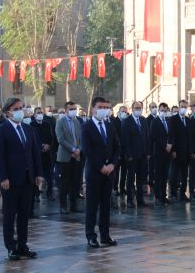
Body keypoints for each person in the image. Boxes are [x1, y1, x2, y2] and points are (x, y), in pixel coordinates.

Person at [0, 97, 43, 260]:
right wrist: (3, 177)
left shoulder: (28, 130)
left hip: (28, 178)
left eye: (21, 108)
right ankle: (10, 246)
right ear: (8, 112)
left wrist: (38, 174)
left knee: (24, 214)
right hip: (11, 180)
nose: (20, 111)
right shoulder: (2, 129)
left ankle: (22, 244)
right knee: (9, 214)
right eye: (16, 109)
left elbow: (35, 153)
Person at [82, 97, 120, 248]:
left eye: (106, 107)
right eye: (100, 107)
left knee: (106, 205)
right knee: (92, 206)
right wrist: (100, 166)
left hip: (109, 172)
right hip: (94, 172)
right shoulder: (87, 127)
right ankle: (91, 236)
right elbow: (87, 150)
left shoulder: (110, 126)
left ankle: (105, 235)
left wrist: (112, 164)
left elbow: (117, 147)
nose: (104, 109)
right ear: (93, 109)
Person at [55, 101, 83, 214]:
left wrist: (78, 150)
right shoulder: (60, 122)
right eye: (71, 109)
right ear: (66, 110)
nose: (73, 111)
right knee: (65, 183)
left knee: (75, 182)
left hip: (76, 156)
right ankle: (63, 206)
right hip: (65, 156)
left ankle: (73, 205)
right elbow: (60, 139)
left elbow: (80, 138)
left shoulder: (77, 121)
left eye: (74, 109)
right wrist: (72, 150)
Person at [121, 101, 149, 208]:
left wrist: (147, 152)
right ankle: (129, 200)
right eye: (137, 108)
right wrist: (128, 154)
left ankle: (140, 199)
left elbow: (146, 136)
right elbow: (125, 140)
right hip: (132, 155)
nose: (139, 110)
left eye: (140, 108)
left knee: (141, 178)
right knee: (130, 178)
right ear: (132, 109)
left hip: (142, 155)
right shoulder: (127, 122)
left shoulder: (143, 120)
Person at [31, 107, 55, 201]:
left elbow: (51, 137)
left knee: (49, 175)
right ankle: (36, 194)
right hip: (37, 154)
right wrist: (41, 146)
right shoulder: (31, 125)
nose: (40, 114)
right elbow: (33, 139)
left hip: (47, 154)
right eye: (38, 112)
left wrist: (48, 145)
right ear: (34, 114)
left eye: (41, 112)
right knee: (36, 175)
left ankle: (49, 193)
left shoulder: (47, 124)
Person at [150, 103, 172, 204]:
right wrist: (165, 145)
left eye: (165, 110)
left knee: (165, 176)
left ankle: (164, 196)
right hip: (159, 152)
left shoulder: (168, 121)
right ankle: (157, 196)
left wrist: (170, 145)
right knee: (158, 176)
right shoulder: (155, 122)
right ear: (159, 110)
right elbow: (154, 137)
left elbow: (171, 134)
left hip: (167, 153)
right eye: (162, 110)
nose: (163, 112)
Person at [169, 100, 191, 201]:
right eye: (182, 106)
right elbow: (171, 135)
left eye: (185, 107)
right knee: (174, 174)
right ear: (179, 107)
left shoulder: (188, 120)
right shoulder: (173, 119)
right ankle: (173, 193)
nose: (183, 108)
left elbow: (190, 136)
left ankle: (182, 193)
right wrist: (173, 150)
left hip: (186, 152)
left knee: (184, 174)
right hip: (176, 152)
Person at [146, 102, 159, 191]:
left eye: (155, 107)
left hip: (159, 147)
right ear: (149, 108)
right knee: (151, 166)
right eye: (152, 107)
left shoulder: (159, 118)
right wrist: (148, 151)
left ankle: (156, 180)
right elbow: (148, 136)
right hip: (151, 147)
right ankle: (151, 181)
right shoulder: (147, 119)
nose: (154, 108)